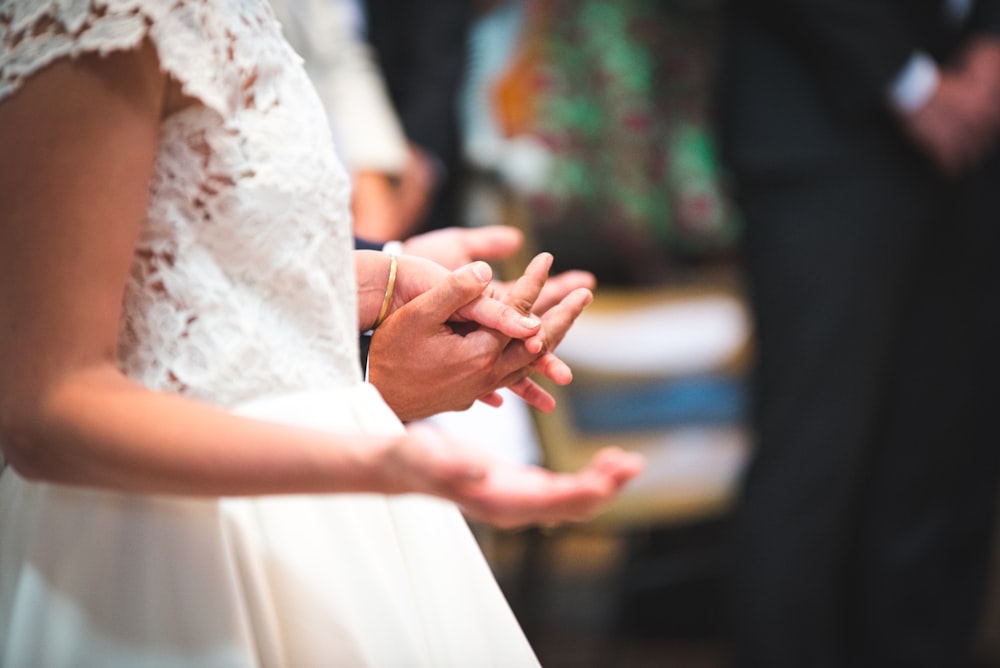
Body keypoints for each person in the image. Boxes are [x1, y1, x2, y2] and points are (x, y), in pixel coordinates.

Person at [0, 1, 643, 666]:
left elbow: (183, 260)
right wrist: (383, 458)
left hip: (322, 510)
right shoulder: (92, 14)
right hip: (165, 552)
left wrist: (377, 278)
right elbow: (47, 406)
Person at [715, 2, 1000, 667]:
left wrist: (991, 35)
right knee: (816, 458)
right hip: (820, 135)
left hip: (974, 148)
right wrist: (911, 83)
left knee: (941, 451)